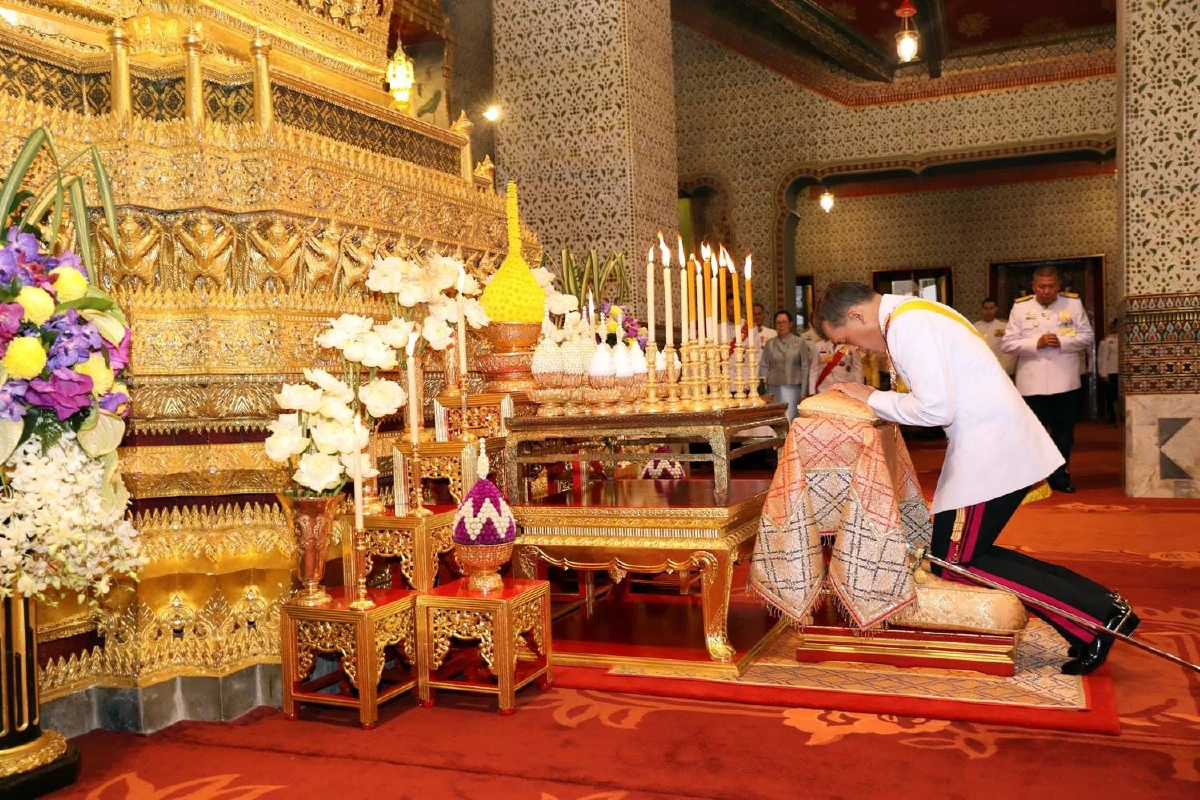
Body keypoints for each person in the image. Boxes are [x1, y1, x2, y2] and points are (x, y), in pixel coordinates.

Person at [815, 281, 1138, 676]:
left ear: (856, 315)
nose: (856, 350)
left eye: (848, 339)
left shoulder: (907, 325)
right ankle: (1100, 612)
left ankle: (1097, 619)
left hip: (991, 451)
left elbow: (934, 408)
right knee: (955, 555)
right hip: (990, 447)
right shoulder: (914, 314)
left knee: (955, 559)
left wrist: (870, 397)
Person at [1001, 265, 1094, 494]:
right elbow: (1008, 343)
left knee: (1064, 433)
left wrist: (1062, 342)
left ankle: (1059, 476)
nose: (1046, 290)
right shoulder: (1021, 307)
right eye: (1041, 286)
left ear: (1058, 286)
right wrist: (1036, 344)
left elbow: (1087, 336)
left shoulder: (1072, 304)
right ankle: (1033, 478)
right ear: (1033, 287)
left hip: (1065, 381)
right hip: (1031, 383)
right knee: (1033, 433)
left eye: (1050, 286)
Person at [759, 309, 809, 423]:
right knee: (775, 417)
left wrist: (804, 391)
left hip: (793, 386)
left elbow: (805, 367)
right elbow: (764, 366)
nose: (781, 325)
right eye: (778, 323)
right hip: (773, 386)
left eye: (784, 322)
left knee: (790, 416)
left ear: (790, 324)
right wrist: (763, 389)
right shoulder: (770, 343)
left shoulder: (800, 342)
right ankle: (777, 440)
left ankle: (789, 440)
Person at [972, 297, 1015, 376]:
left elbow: (1010, 350)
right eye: (986, 309)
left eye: (991, 308)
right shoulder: (974, 328)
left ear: (996, 309)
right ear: (981, 310)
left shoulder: (1004, 327)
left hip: (1001, 369)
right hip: (981, 370)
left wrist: (1004, 369)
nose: (989, 312)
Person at [1098, 319, 1120, 425]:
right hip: (1113, 370)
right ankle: (1116, 418)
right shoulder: (1108, 340)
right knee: (1114, 395)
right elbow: (1103, 357)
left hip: (1125, 371)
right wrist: (1104, 372)